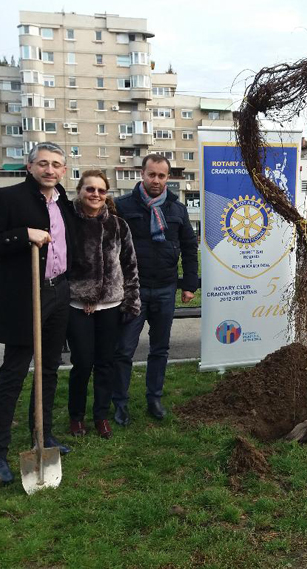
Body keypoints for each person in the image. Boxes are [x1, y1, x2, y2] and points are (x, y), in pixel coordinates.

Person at [0, 142, 74, 486]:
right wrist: (23, 235)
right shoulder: (8, 198)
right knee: (13, 373)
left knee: (49, 368)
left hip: (59, 291)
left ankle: (42, 435)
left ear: (64, 170)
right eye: (43, 163)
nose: (50, 169)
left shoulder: (63, 201)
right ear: (29, 167)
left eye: (56, 164)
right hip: (25, 296)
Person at [112, 153, 198, 424]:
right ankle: (120, 402)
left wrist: (189, 284)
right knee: (124, 350)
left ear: (168, 178)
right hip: (132, 291)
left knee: (160, 349)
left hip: (165, 288)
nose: (157, 180)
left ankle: (154, 398)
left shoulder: (177, 209)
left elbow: (189, 247)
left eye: (162, 176)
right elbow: (110, 248)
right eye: (152, 175)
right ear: (142, 174)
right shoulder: (122, 206)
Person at [66, 170, 140, 440]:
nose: (95, 194)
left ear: (106, 194)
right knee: (83, 363)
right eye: (90, 189)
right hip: (77, 307)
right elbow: (61, 266)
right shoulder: (68, 223)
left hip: (111, 305)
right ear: (80, 191)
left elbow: (129, 264)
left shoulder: (118, 225)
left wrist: (131, 300)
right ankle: (76, 416)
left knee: (106, 363)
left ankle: (101, 416)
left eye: (100, 190)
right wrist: (86, 295)